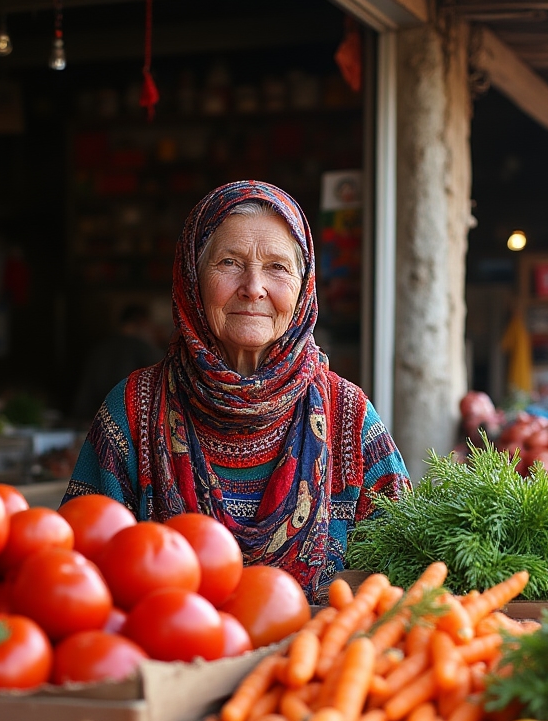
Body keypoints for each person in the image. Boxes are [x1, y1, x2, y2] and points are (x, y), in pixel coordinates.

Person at [64, 180, 409, 596]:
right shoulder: (133, 408)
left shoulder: (347, 414)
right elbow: (76, 576)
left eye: (278, 267)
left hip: (321, 639)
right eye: (229, 262)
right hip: (170, 637)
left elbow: (404, 573)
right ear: (192, 278)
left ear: (304, 287)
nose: (254, 287)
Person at [72, 304, 163, 420]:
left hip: (95, 420)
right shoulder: (143, 349)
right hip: (128, 421)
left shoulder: (100, 349)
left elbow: (83, 398)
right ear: (141, 322)